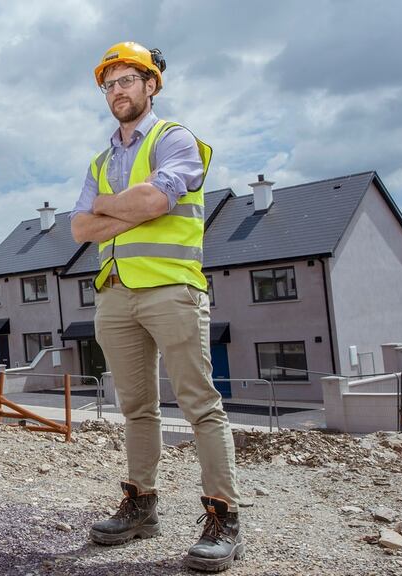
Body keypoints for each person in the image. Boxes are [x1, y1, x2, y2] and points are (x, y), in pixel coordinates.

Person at [70, 41, 243, 572]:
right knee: (136, 408)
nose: (117, 91)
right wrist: (128, 208)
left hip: (171, 287)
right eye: (109, 83)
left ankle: (223, 518)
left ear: (151, 85)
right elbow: (79, 227)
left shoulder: (177, 140)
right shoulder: (102, 160)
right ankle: (141, 506)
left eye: (128, 80)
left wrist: (114, 208)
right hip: (116, 292)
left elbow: (157, 199)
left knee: (199, 404)